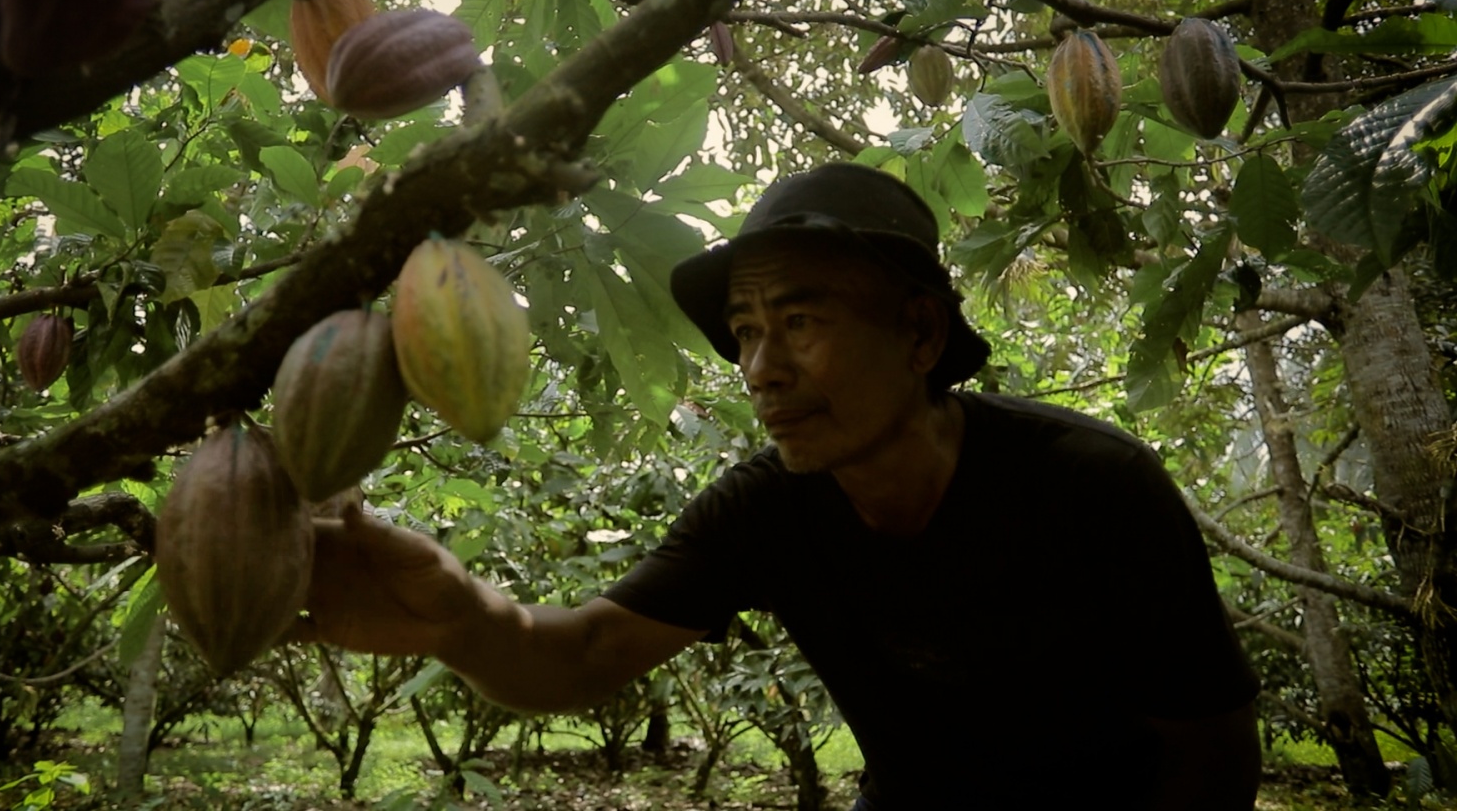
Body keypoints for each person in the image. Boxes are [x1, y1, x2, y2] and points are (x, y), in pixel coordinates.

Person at [294, 163, 1263, 810]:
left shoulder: (1090, 488)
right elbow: (585, 652)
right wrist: (454, 620)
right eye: (745, 331)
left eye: (799, 321)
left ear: (920, 336)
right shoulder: (766, 509)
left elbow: (1211, 758)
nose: (760, 368)